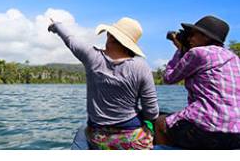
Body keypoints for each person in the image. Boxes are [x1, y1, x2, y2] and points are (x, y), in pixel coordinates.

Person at [48, 17, 159, 150]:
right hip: (131, 139)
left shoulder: (92, 57)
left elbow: (70, 39)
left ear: (111, 37)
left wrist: (56, 25)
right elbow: (152, 112)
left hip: (98, 138)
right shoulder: (142, 67)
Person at [155, 15, 240, 149]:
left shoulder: (198, 53)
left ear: (206, 37)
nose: (189, 38)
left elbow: (169, 78)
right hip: (236, 132)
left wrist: (179, 50)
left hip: (208, 131)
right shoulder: (233, 57)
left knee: (160, 122)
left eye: (193, 34)